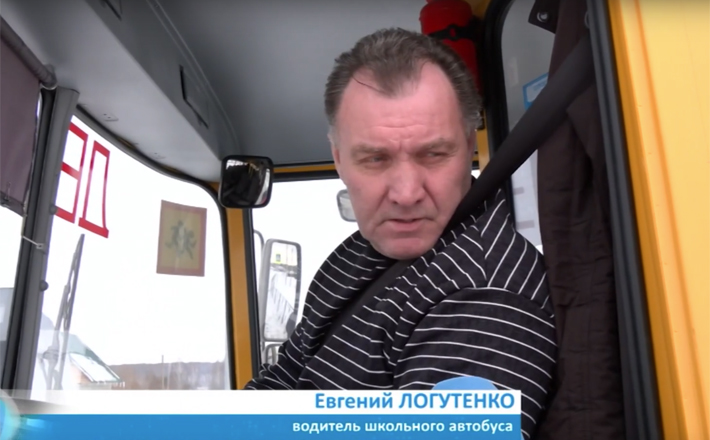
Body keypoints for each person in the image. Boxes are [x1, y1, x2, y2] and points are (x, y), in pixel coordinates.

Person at [244, 28, 556, 440]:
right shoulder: (354, 255)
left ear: (468, 147)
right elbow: (281, 386)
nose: (407, 194)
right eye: (375, 159)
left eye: (434, 154)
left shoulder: (485, 297)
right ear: (339, 159)